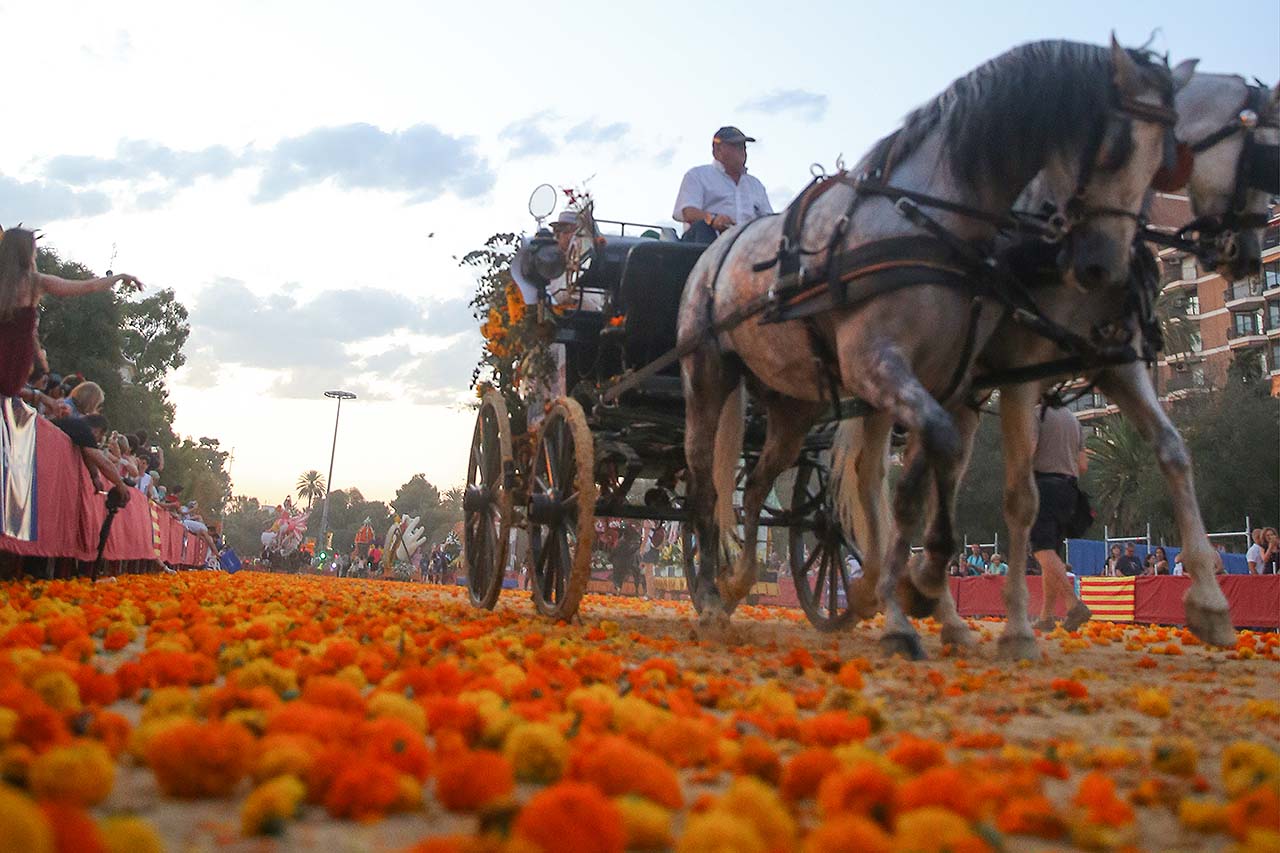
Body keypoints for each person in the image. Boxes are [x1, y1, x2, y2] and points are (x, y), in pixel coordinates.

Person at [0, 227, 142, 397]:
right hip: (15, 359)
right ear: (27, 252)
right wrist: (119, 277)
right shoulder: (35, 283)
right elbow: (89, 286)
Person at [1029, 403, 1092, 632]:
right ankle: (1046, 617)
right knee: (1052, 553)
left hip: (1044, 486)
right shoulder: (1073, 420)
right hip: (1069, 489)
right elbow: (1083, 465)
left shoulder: (1037, 414)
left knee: (1041, 549)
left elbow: (1030, 449)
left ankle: (1073, 603)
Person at [672, 126, 772, 244]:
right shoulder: (697, 175)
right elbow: (687, 212)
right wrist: (712, 220)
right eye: (736, 146)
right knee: (702, 227)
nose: (742, 152)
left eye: (743, 147)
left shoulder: (756, 185)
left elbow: (769, 219)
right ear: (717, 149)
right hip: (706, 243)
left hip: (747, 245)